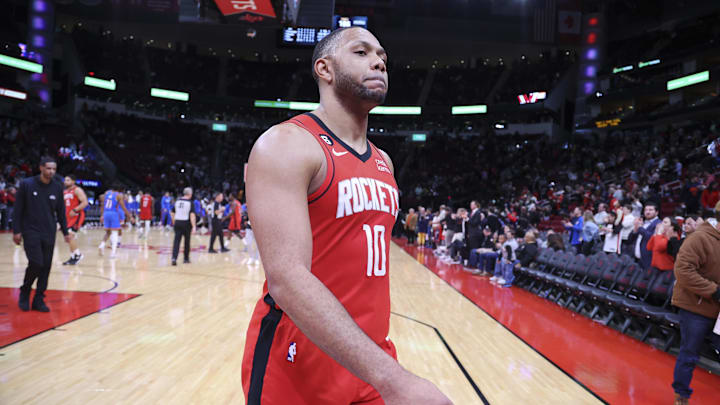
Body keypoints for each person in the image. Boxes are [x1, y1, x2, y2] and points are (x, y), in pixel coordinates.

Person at [241, 27, 451, 405]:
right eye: (361, 52)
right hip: (299, 364)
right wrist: (394, 380)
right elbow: (286, 279)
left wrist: (382, 371)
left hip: (369, 358)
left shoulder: (384, 161)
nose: (379, 62)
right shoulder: (286, 144)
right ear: (325, 68)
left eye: (383, 57)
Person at [670, 206, 720, 405]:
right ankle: (681, 395)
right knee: (690, 353)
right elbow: (683, 271)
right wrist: (714, 291)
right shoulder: (700, 238)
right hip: (696, 307)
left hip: (718, 312)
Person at [12, 157, 72, 312]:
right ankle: (25, 290)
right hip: (30, 230)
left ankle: (39, 299)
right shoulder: (27, 184)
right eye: (48, 168)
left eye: (54, 169)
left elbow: (61, 212)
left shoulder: (58, 187)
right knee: (36, 262)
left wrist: (66, 232)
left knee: (46, 267)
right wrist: (16, 231)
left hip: (49, 231)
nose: (51, 172)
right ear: (41, 168)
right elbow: (17, 210)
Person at [98, 183, 133, 258]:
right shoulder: (119, 195)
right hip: (113, 214)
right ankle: (113, 253)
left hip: (106, 213)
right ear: (120, 189)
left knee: (108, 232)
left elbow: (102, 204)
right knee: (115, 233)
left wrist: (101, 215)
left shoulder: (106, 193)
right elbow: (123, 207)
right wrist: (130, 216)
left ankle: (102, 245)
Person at [61, 174, 89, 265]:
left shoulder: (77, 190)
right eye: (65, 180)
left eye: (68, 180)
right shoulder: (64, 192)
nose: (65, 182)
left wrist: (75, 210)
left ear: (73, 181)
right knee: (68, 237)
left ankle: (78, 255)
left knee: (70, 235)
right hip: (68, 216)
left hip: (77, 215)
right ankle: (73, 257)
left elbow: (85, 202)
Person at [631, 202, 661, 269]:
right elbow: (630, 240)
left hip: (649, 259)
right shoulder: (643, 222)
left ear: (656, 212)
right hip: (637, 259)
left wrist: (641, 228)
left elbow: (651, 238)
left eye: (650, 210)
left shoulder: (659, 224)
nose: (647, 212)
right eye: (646, 210)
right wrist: (635, 228)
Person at [171, 187, 196, 266]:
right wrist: (194, 226)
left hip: (177, 222)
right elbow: (192, 215)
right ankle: (186, 259)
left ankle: (174, 258)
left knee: (176, 241)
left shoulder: (177, 201)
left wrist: (174, 222)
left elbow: (172, 213)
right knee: (187, 241)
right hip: (186, 223)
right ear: (190, 194)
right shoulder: (190, 202)